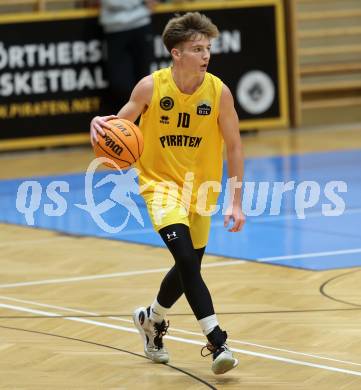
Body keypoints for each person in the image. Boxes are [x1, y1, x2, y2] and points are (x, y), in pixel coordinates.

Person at [90, 12, 245, 375]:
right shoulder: (151, 87)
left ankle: (151, 319)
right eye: (197, 48)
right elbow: (117, 128)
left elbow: (235, 147)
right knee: (188, 262)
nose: (205, 55)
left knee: (187, 265)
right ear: (176, 53)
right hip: (159, 186)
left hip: (202, 189)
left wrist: (235, 200)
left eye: (208, 48)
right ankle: (217, 338)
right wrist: (98, 127)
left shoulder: (218, 92)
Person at [99, 0, 158, 109]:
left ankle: (144, 120)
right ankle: (129, 120)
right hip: (113, 27)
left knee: (144, 78)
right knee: (119, 84)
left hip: (141, 23)